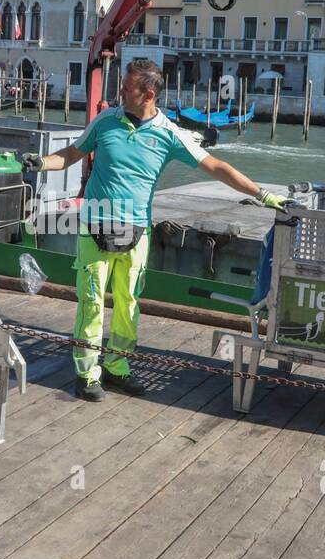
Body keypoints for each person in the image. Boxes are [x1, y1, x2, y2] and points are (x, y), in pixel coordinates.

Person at [23, 59, 292, 402]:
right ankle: (87, 374)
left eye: (126, 88)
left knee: (128, 303)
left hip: (136, 232)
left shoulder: (169, 133)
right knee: (90, 303)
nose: (119, 92)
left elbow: (218, 168)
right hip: (94, 226)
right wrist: (42, 162)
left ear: (148, 94)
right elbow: (72, 154)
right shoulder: (105, 121)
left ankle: (117, 368)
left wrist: (263, 194)